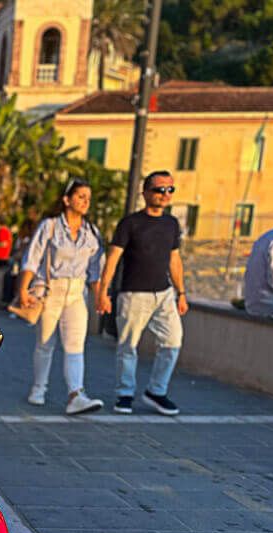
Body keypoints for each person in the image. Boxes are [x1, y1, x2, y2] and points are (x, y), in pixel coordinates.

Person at [95, 170, 187, 416]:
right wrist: (103, 292)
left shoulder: (171, 223)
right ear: (146, 193)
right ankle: (125, 393)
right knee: (128, 346)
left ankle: (157, 391)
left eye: (170, 190)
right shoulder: (131, 223)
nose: (164, 194)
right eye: (159, 189)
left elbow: (174, 260)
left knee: (173, 341)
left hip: (164, 293)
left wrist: (182, 292)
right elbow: (113, 258)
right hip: (133, 293)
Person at [17, 179, 105, 415]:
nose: (86, 201)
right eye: (80, 196)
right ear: (67, 200)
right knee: (45, 343)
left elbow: (96, 269)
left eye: (88, 197)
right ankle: (39, 388)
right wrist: (23, 289)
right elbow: (32, 258)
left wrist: (100, 296)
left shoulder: (92, 233)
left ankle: (76, 394)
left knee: (75, 345)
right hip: (50, 290)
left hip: (77, 293)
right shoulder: (51, 226)